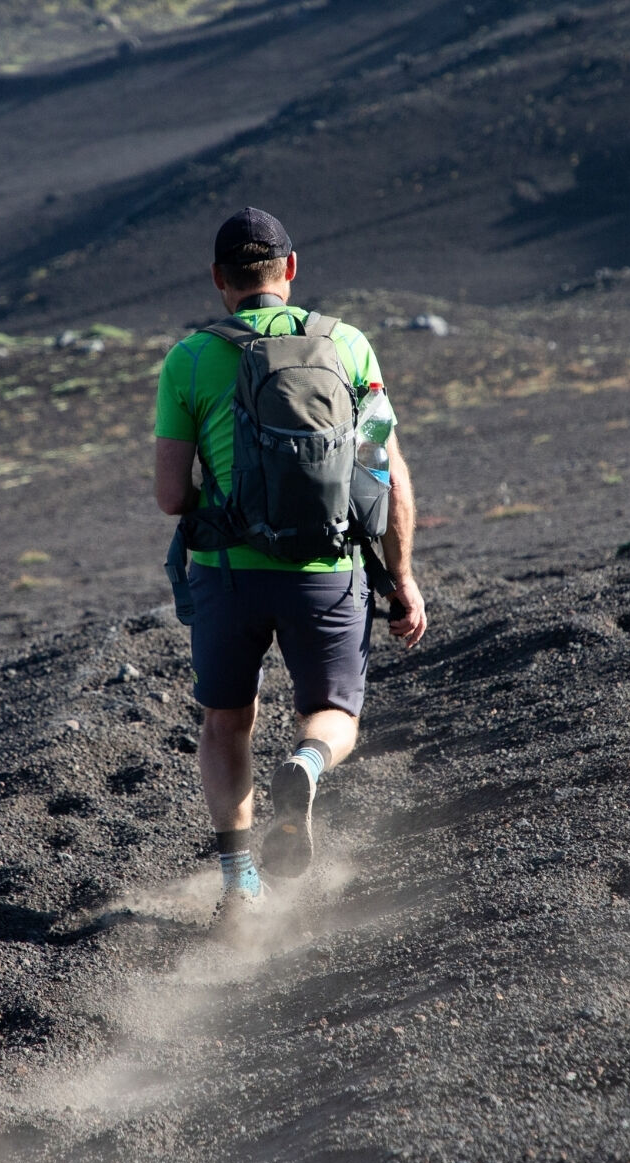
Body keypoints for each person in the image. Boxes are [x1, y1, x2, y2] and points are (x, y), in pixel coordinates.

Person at [152, 207, 426, 922]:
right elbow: (384, 471)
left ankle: (240, 880)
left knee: (226, 722)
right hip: (327, 569)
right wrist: (402, 578)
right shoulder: (349, 346)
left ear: (218, 279)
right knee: (333, 713)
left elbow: (170, 495)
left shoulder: (188, 359)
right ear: (291, 270)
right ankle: (305, 765)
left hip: (226, 573)